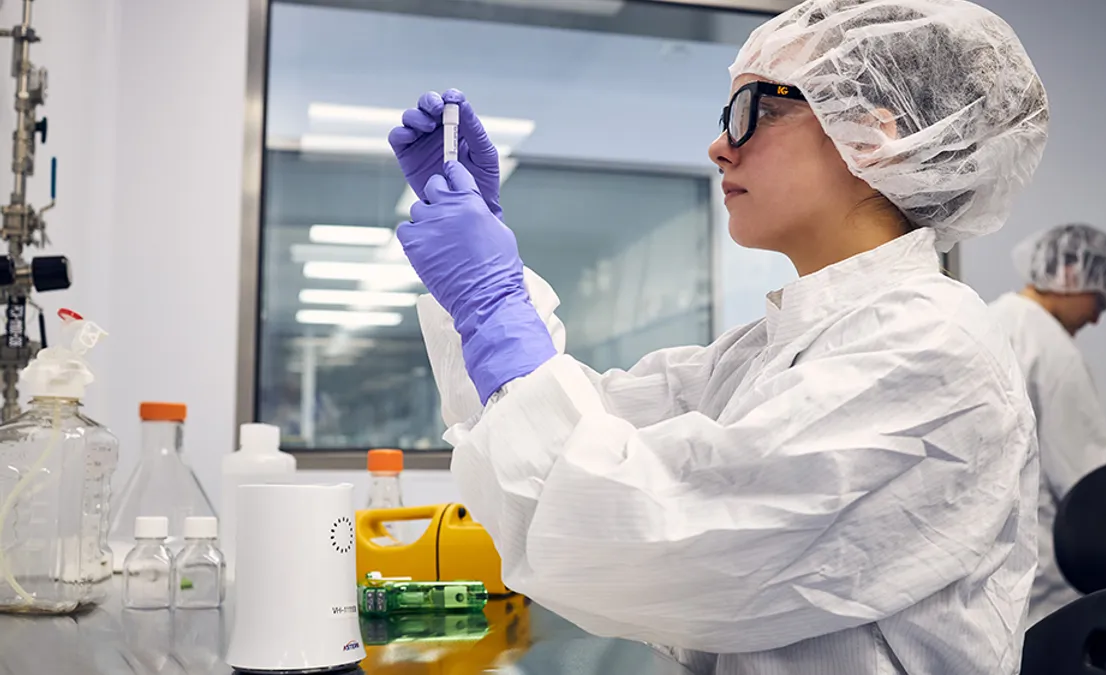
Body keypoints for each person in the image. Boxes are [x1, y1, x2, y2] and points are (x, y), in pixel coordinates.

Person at [387, 0, 1049, 672]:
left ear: (872, 135)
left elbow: (648, 533)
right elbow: (584, 434)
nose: (718, 145)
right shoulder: (780, 345)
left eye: (752, 110)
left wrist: (495, 303)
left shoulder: (931, 347)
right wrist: (484, 300)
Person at [989, 223, 1106, 624]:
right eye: (1098, 303)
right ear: (1071, 274)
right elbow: (1090, 481)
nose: (1095, 319)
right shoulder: (1051, 348)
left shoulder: (988, 321)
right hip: (1045, 575)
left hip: (988, 562)